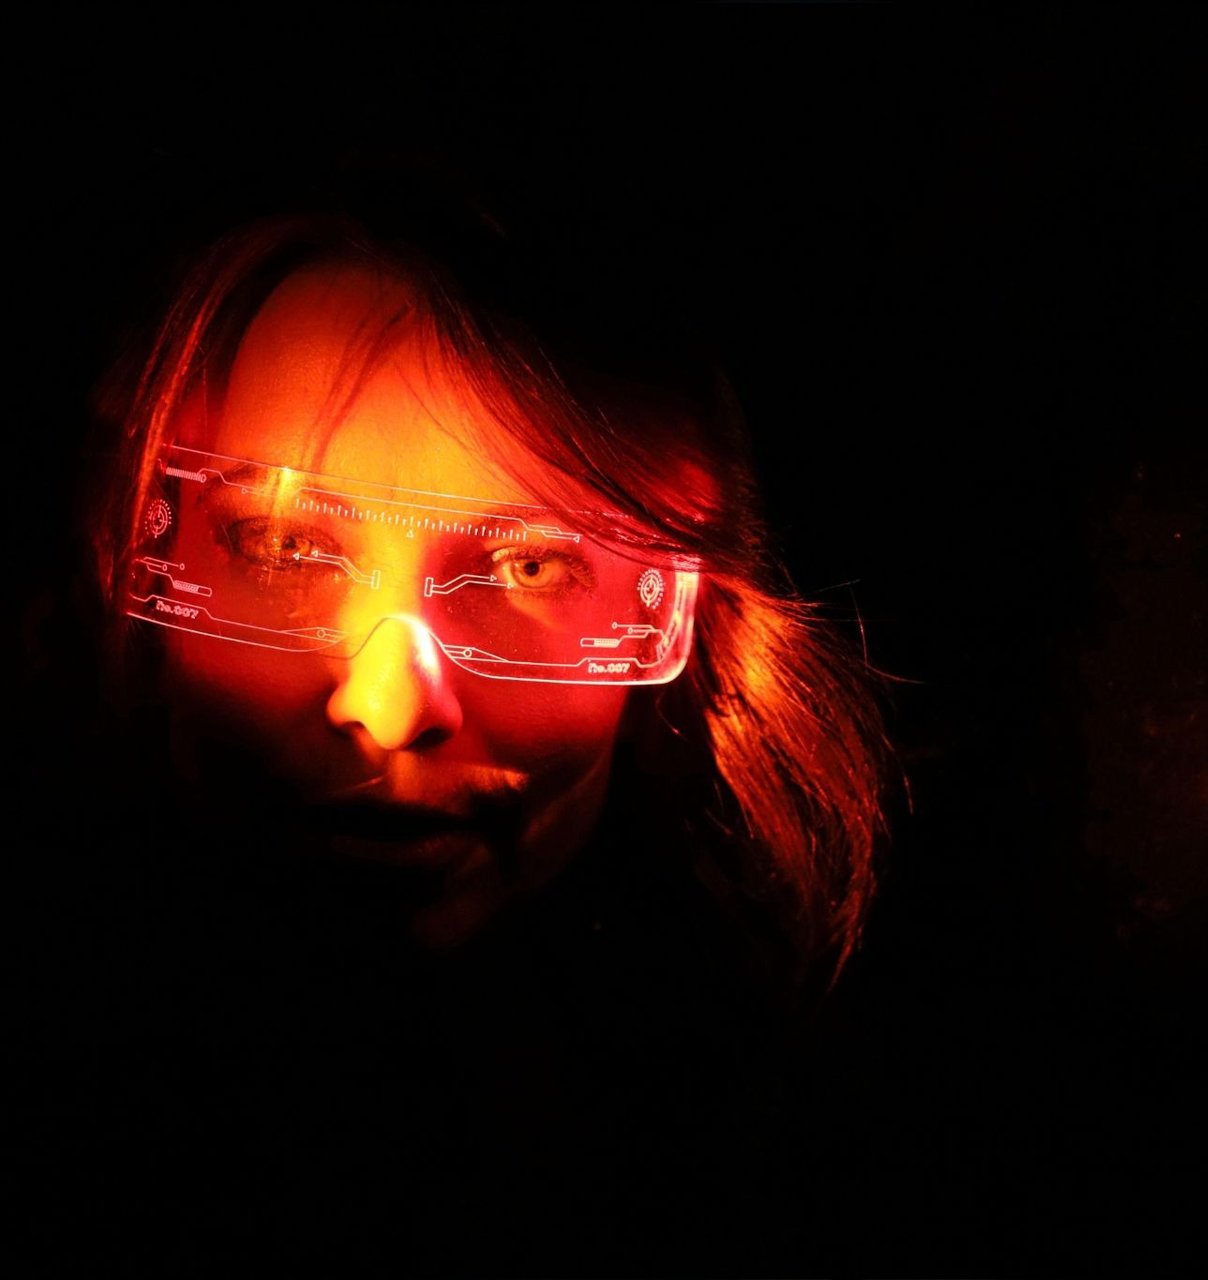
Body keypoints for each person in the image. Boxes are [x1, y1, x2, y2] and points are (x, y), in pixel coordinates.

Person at [29, 188, 893, 1271]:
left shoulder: (824, 1161)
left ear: (693, 617)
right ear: (125, 547)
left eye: (530, 566)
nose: (391, 710)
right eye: (281, 544)